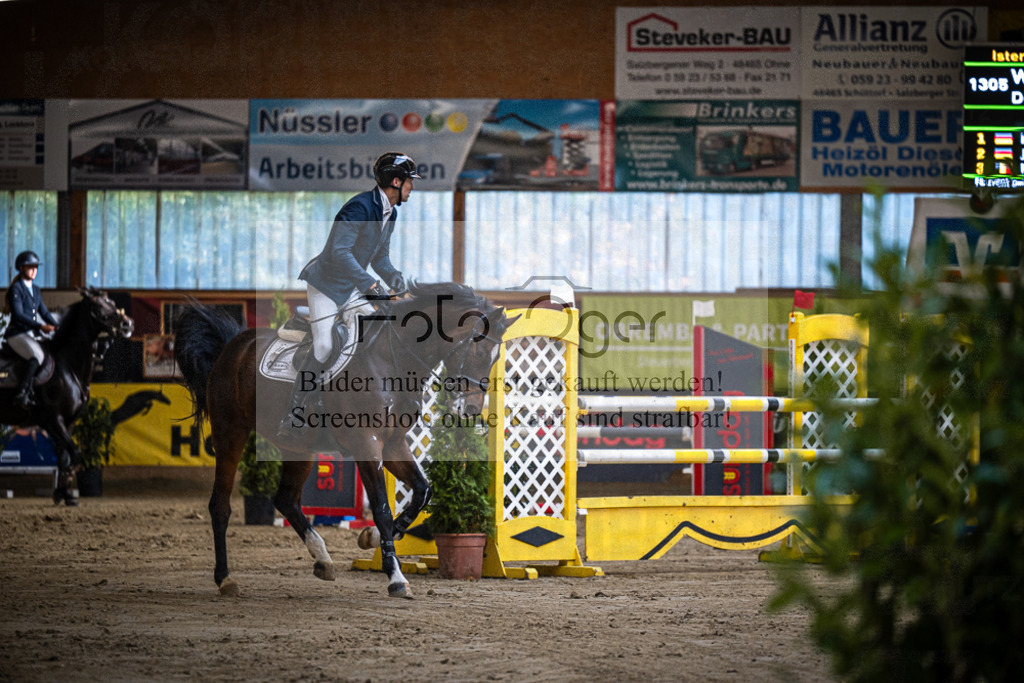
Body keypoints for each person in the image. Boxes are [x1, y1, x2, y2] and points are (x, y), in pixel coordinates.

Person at [279, 152, 421, 435]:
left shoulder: (391, 213)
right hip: (327, 285)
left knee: (379, 331)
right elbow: (339, 252)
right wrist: (370, 285)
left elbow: (380, 257)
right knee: (323, 346)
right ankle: (294, 412)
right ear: (395, 181)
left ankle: (354, 401)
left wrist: (396, 281)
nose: (412, 188)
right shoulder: (358, 207)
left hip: (353, 287)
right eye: (409, 182)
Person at [4, 250, 58, 410]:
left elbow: (44, 312)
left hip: (32, 334)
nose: (34, 270)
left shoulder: (36, 289)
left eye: (36, 267)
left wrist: (56, 325)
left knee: (49, 353)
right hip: (17, 334)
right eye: (30, 267)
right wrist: (40, 326)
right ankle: (22, 393)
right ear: (21, 268)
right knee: (36, 356)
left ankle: (36, 391)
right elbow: (19, 315)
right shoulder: (16, 289)